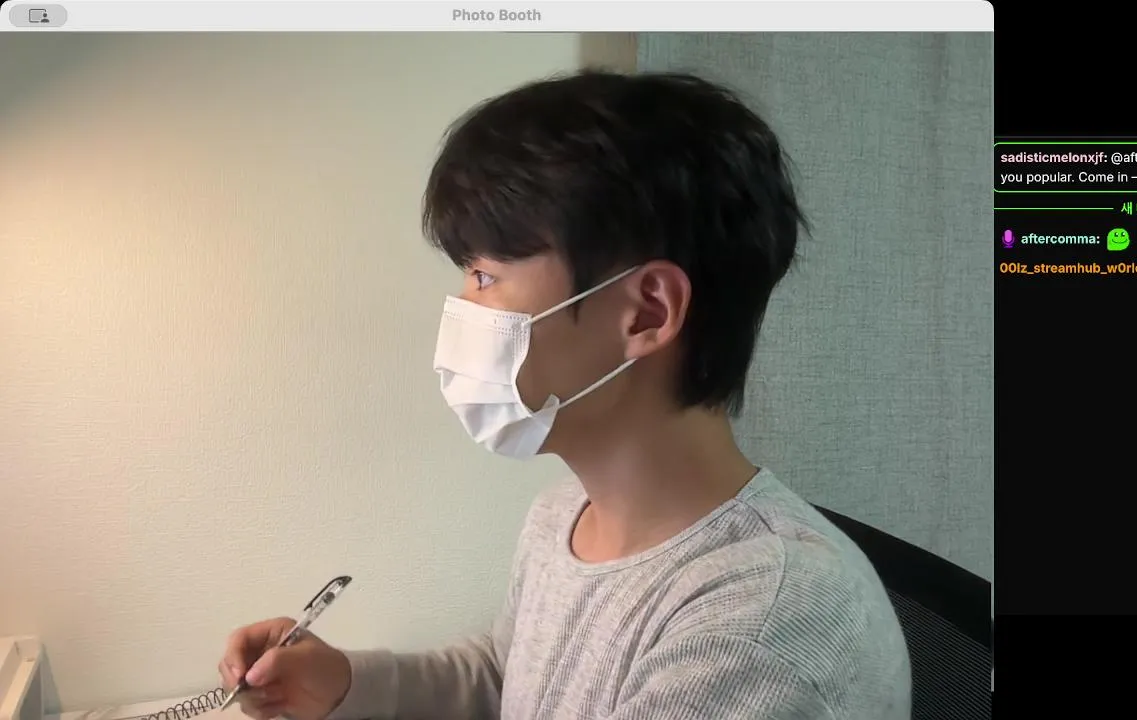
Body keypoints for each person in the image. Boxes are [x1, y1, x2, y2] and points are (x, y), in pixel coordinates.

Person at [218, 69, 911, 720]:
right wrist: (345, 683)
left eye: (485, 277)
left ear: (646, 312)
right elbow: (507, 675)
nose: (462, 309)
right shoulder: (565, 515)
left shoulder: (761, 624)